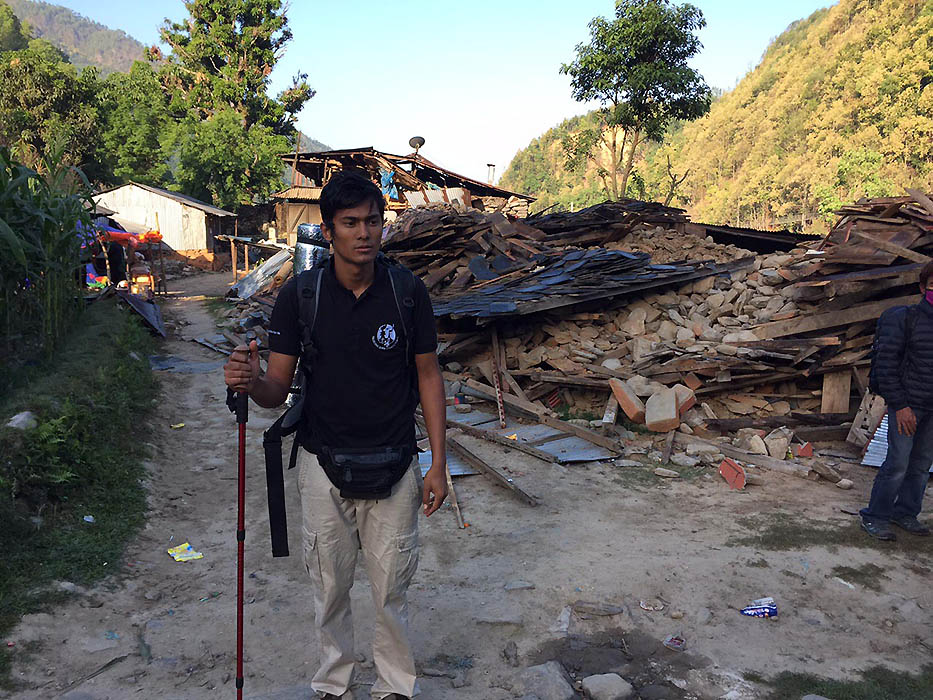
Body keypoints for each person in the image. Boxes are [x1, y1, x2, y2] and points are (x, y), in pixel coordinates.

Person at [224, 169, 448, 700]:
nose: (364, 233)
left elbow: (428, 376)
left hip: (395, 461)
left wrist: (437, 463)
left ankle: (394, 686)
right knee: (329, 585)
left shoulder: (407, 293)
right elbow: (276, 390)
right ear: (327, 231)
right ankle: (333, 682)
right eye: (350, 223)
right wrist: (250, 380)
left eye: (373, 221)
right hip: (322, 463)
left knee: (391, 588)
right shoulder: (301, 296)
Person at [861, 262, 933, 541]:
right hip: (908, 405)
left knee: (921, 464)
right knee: (898, 463)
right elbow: (887, 366)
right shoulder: (905, 319)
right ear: (922, 287)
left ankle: (905, 513)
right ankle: (875, 517)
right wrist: (900, 406)